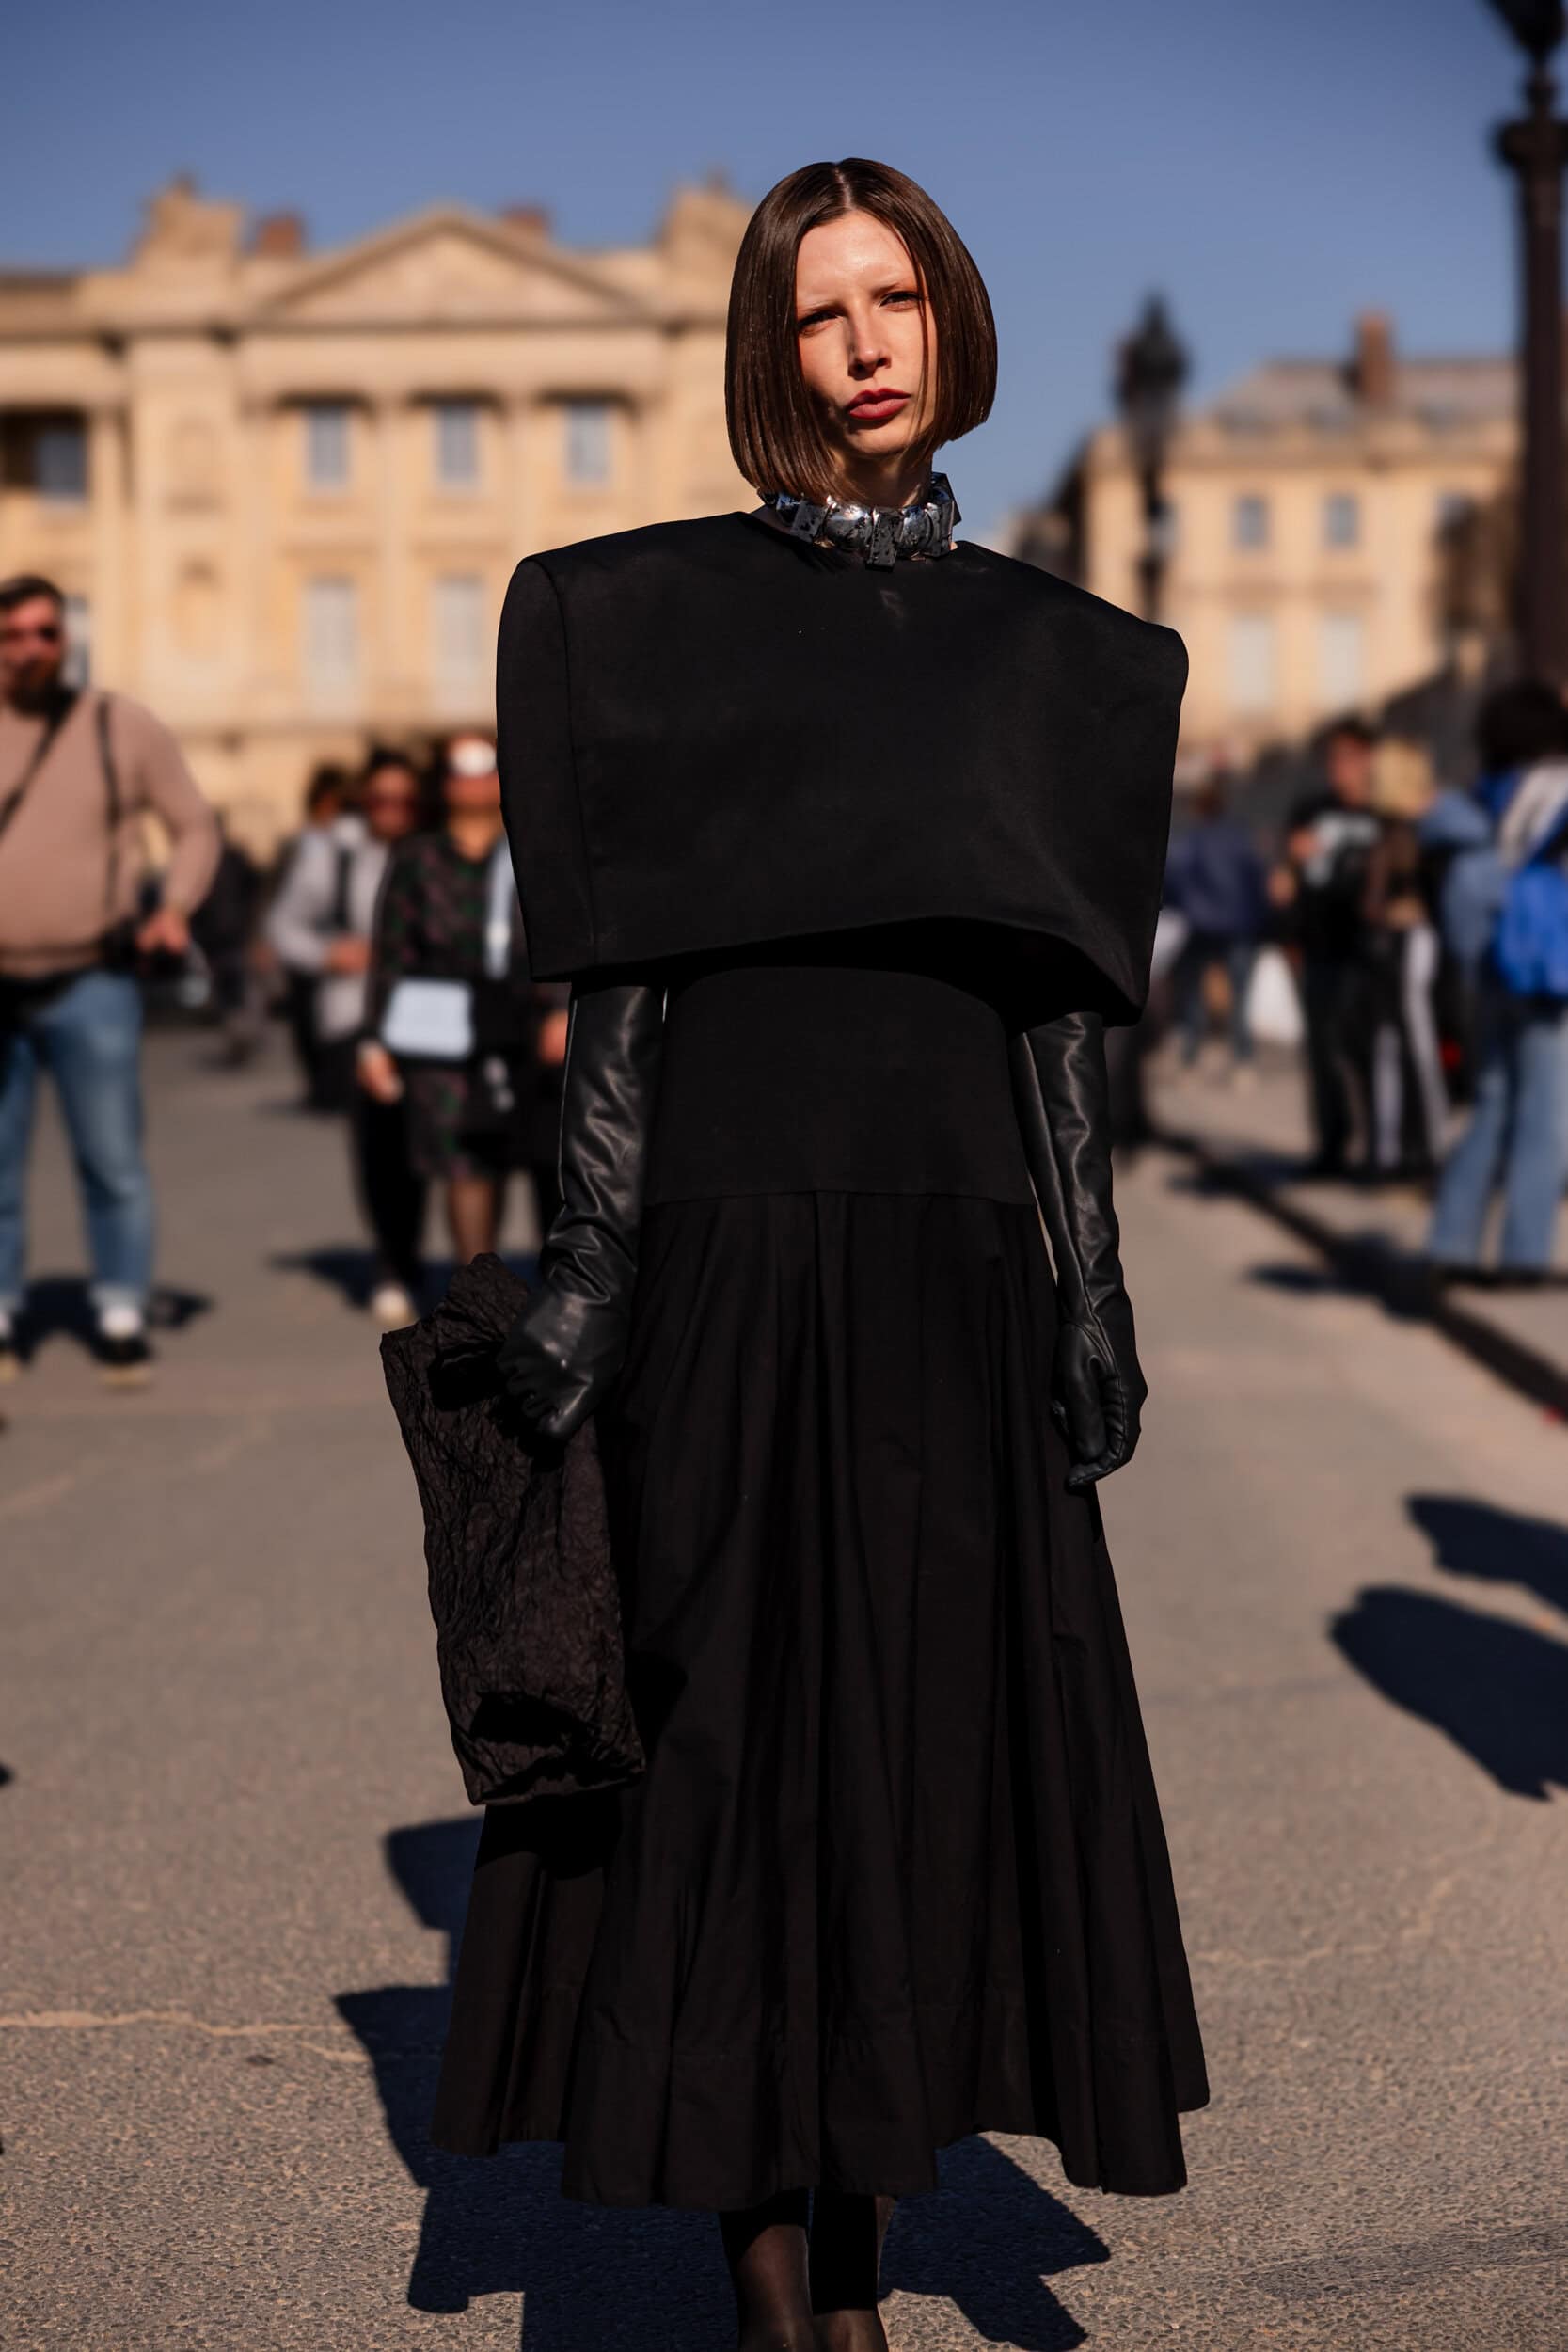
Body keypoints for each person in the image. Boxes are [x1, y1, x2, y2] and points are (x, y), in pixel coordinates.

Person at [428, 160, 1206, 2351]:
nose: (863, 342)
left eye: (896, 299)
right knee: (729, 1749)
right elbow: (623, 988)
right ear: (769, 350)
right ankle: (781, 2289)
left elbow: (1053, 1006)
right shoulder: (638, 615)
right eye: (816, 310)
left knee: (916, 1757)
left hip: (954, 1255)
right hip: (726, 1242)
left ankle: (860, 2243)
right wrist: (584, 1258)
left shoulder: (1066, 658)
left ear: (954, 319)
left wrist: (1093, 1276)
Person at [0, 572, 219, 1383]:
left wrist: (178, 905)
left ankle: (122, 1310)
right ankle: (2, 1313)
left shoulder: (115, 725)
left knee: (112, 1157)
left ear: (66, 640)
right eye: (14, 635)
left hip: (92, 976)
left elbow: (194, 824)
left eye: (46, 633)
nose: (31, 649)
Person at [359, 733, 562, 1271]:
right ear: (445, 782)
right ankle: (481, 1316)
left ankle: (562, 1310)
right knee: (464, 1167)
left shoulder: (537, 849)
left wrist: (567, 1009)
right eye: (461, 768)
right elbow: (392, 953)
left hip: (531, 1030)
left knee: (549, 1168)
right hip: (447, 1038)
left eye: (486, 765)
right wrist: (375, 1042)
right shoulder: (417, 859)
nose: (474, 778)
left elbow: (569, 934)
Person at [267, 747, 427, 1326]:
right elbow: (283, 927)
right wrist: (330, 952)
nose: (392, 811)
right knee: (379, 1144)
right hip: (358, 1015)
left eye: (405, 800)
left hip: (433, 1018)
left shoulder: (440, 848)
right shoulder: (332, 852)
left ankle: (431, 1256)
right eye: (380, 799)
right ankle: (391, 1261)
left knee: (431, 1143)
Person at [1427, 683, 1568, 1284]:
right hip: (1547, 976)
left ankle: (1451, 1244)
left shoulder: (1480, 799)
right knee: (1548, 1117)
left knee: (1491, 1108)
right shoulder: (1555, 790)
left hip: (1491, 970)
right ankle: (1524, 1256)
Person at [1282, 716, 1384, 1174]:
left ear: (1368, 760)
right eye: (1332, 759)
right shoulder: (1310, 810)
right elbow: (1288, 882)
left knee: (1368, 1053)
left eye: (1347, 758)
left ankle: (1382, 1147)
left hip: (1368, 952)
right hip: (1319, 949)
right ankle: (1332, 1147)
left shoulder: (1383, 815)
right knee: (1323, 1054)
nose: (1337, 768)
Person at [1356, 740, 1446, 1182]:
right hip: (1394, 943)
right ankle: (1393, 1150)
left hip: (1410, 943)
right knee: (1392, 1045)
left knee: (1413, 1043)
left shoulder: (1414, 831)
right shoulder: (1393, 829)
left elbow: (1394, 897)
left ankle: (1428, 1145)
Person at [1163, 770, 1266, 1076]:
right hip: (1241, 926)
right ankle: (1243, 1059)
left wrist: (1179, 909)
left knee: (1194, 996)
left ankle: (1190, 1058)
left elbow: (1173, 879)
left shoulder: (1191, 840)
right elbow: (1258, 880)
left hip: (1201, 926)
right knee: (1240, 997)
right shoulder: (1243, 838)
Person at [269, 762, 353, 1108]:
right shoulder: (301, 843)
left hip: (340, 943)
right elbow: (278, 898)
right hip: (311, 943)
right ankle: (319, 1084)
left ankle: (330, 1084)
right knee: (305, 1018)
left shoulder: (352, 841)